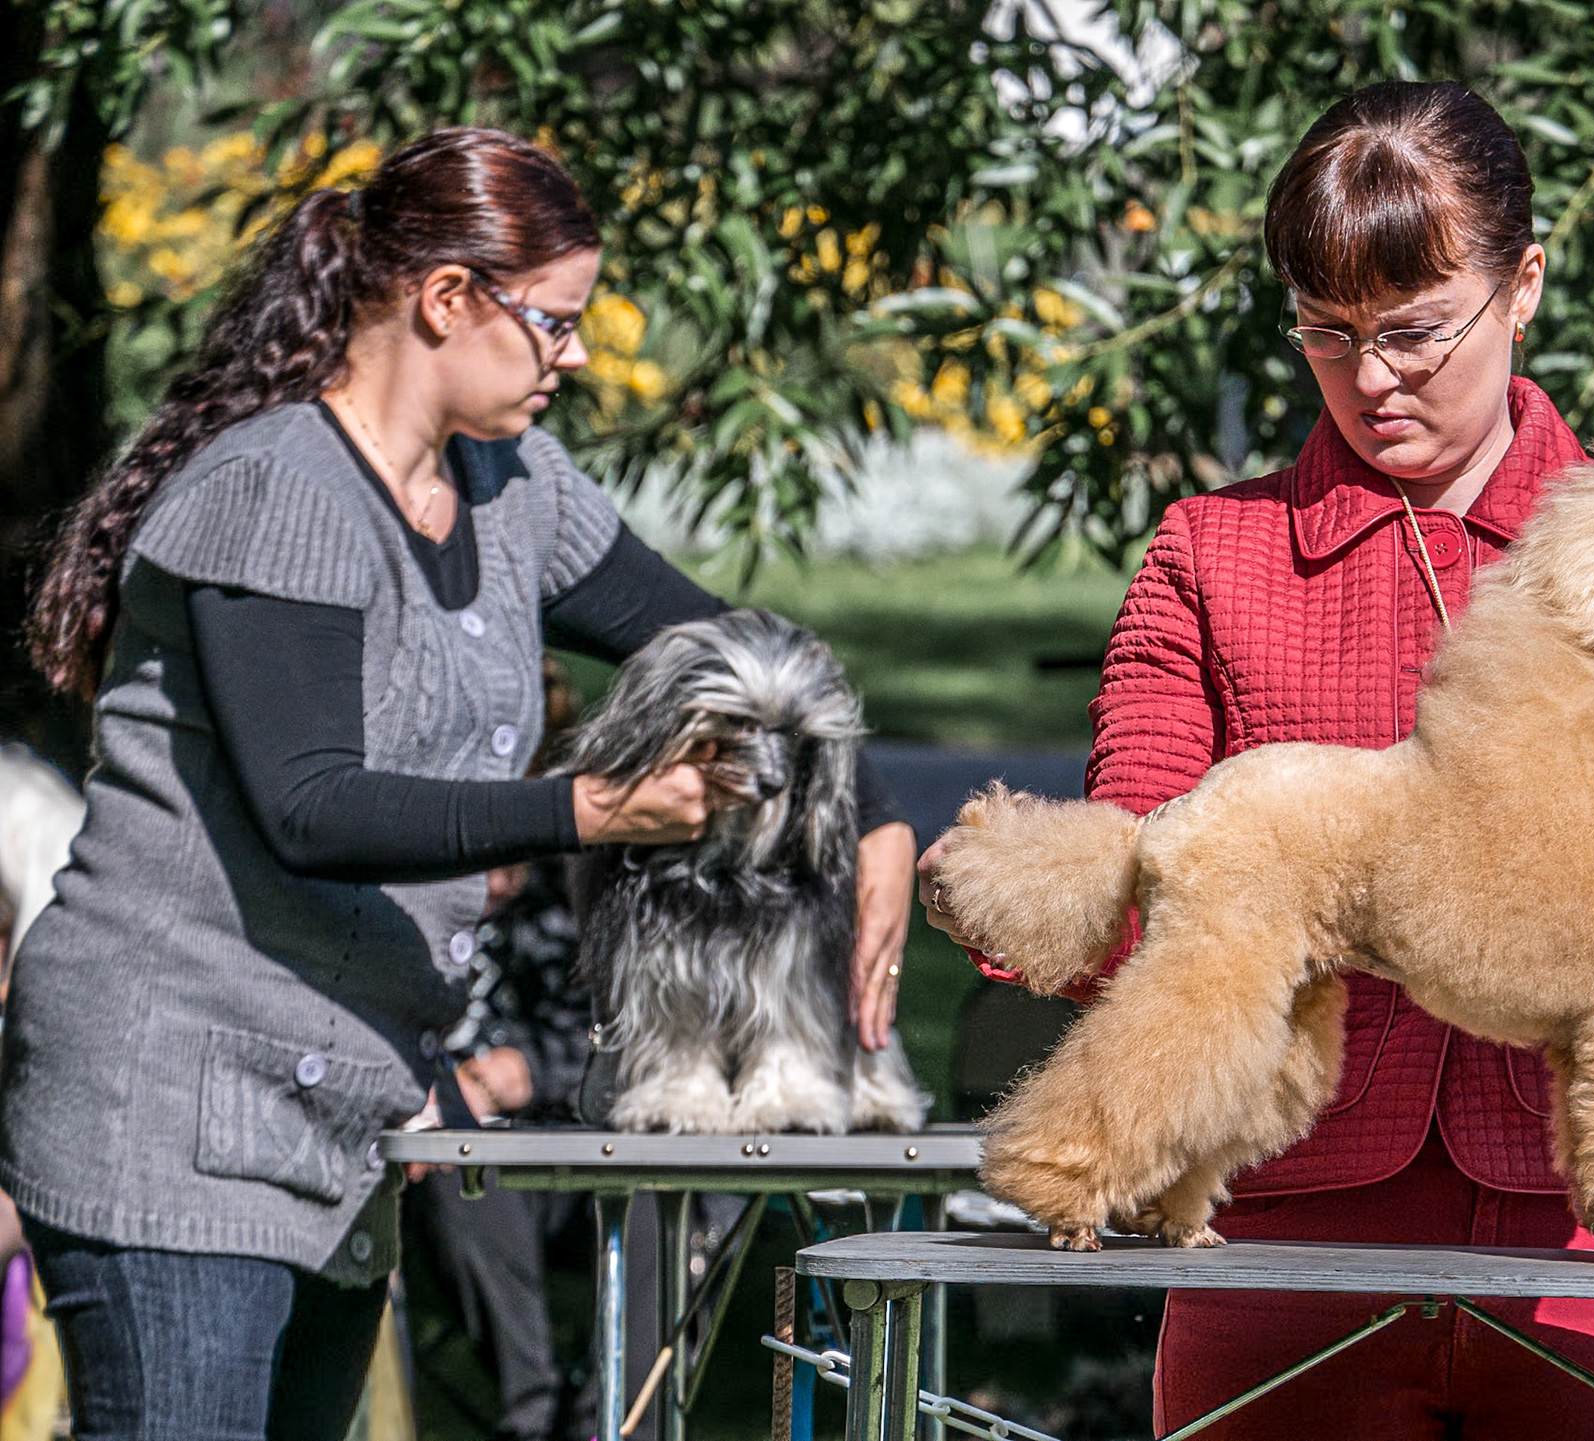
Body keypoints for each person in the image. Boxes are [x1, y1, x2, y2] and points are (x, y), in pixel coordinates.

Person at [920, 82, 1594, 1440]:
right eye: (1329, 335)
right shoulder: (1212, 556)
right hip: (1283, 1280)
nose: (1372, 380)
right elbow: (1120, 902)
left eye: (1418, 333)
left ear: (1525, 285)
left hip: (1593, 1281)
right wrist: (1025, 897)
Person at [1, 126, 916, 1440]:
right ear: (447, 301)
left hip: (338, 1108)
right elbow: (313, 805)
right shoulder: (282, 488)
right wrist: (585, 813)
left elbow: (717, 637)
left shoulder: (513, 483)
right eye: (556, 322)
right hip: (169, 1100)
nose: (579, 355)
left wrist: (867, 800)